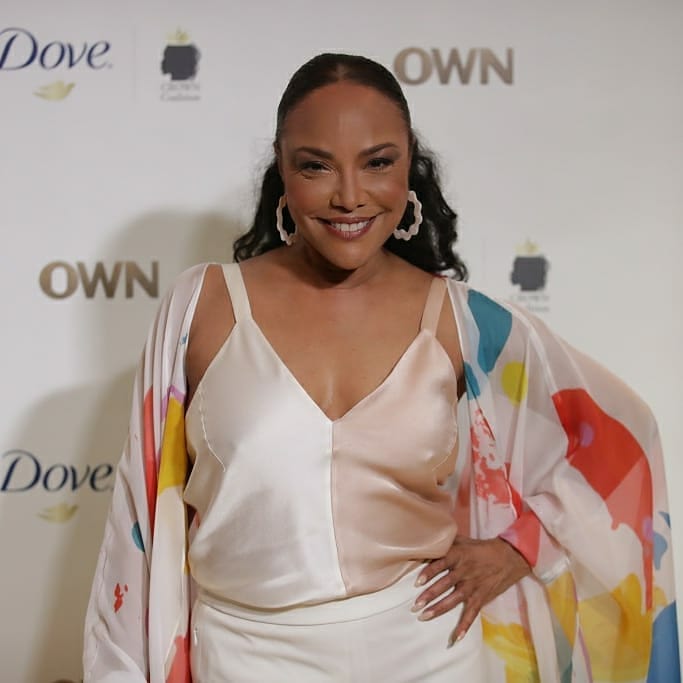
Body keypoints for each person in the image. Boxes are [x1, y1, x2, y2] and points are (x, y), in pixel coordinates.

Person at [83, 53, 679, 682]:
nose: (349, 196)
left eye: (377, 163)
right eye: (316, 166)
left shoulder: (461, 319)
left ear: (409, 166)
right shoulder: (201, 307)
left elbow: (620, 443)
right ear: (281, 170)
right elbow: (138, 523)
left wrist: (521, 545)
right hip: (244, 657)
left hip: (430, 649)